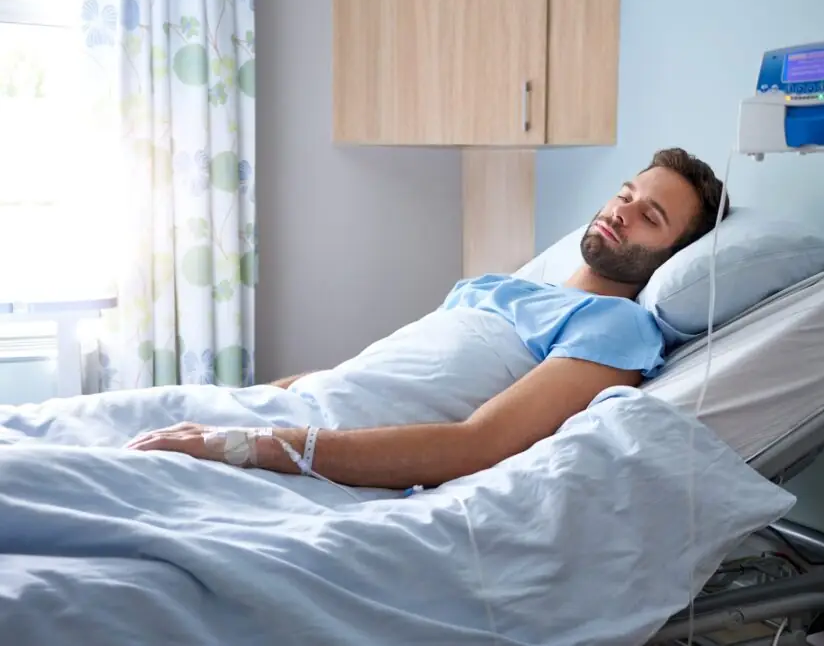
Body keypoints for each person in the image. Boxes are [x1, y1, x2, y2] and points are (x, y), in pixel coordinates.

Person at [126, 148, 730, 489]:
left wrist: (249, 445)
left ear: (673, 257)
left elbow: (477, 445)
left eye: (651, 217)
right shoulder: (497, 286)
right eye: (625, 194)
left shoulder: (615, 326)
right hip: (283, 412)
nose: (622, 213)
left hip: (303, 453)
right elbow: (361, 373)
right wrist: (241, 406)